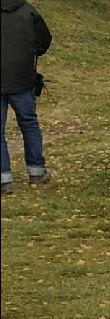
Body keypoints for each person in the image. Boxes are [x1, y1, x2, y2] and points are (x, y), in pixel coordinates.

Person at [1, 0, 53, 195]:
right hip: (22, 78)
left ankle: (3, 179)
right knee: (29, 123)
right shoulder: (29, 11)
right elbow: (45, 41)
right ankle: (36, 172)